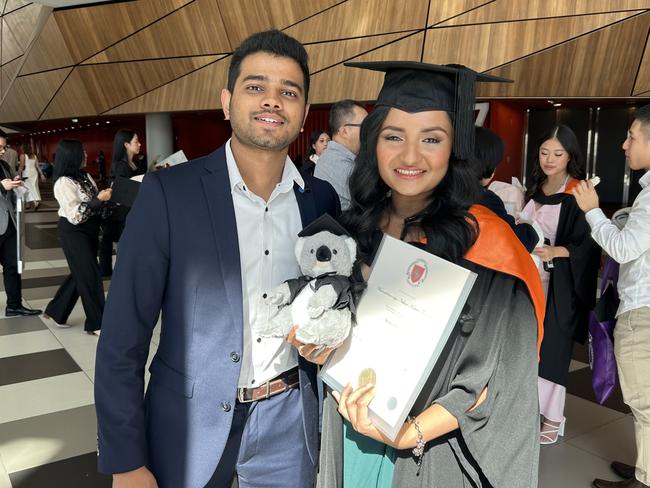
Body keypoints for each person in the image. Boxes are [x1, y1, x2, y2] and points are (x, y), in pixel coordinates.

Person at [94, 30, 340, 488]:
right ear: (227, 101)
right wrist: (125, 461)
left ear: (304, 114)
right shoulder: (170, 193)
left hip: (289, 423)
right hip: (187, 424)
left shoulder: (319, 200)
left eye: (289, 92)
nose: (272, 101)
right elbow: (122, 337)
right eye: (255, 87)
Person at [314, 61, 544, 488]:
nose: (410, 156)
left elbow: (499, 377)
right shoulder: (351, 232)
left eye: (432, 139)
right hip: (348, 431)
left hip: (428, 454)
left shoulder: (488, 245)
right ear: (373, 144)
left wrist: (409, 433)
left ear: (454, 148)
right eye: (394, 136)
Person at [574, 104, 650, 488]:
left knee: (645, 402)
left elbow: (622, 249)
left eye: (632, 136)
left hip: (644, 312)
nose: (624, 145)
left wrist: (592, 212)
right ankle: (644, 470)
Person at [520, 124, 601, 444]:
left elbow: (589, 244)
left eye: (558, 153)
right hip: (526, 281)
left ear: (570, 156)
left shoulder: (577, 192)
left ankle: (552, 419)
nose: (549, 159)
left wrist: (558, 251)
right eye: (543, 152)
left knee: (552, 351)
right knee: (527, 349)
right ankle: (527, 410)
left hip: (558, 286)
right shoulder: (535, 187)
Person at [44, 140, 111, 335]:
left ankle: (56, 311)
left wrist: (103, 199)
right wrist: (98, 200)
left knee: (80, 273)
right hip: (74, 232)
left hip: (89, 231)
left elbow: (94, 202)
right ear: (72, 155)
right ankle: (97, 323)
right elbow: (76, 215)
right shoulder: (63, 183)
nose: (86, 155)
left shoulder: (85, 176)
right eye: (82, 152)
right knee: (90, 275)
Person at [474, 126, 538, 252]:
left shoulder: (434, 191)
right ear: (490, 170)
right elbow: (522, 241)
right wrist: (527, 226)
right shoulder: (487, 200)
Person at [0, 131, 42, 317]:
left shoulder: (3, 165)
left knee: (12, 266)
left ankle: (14, 305)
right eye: (0, 147)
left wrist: (15, 183)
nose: (3, 151)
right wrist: (2, 186)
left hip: (8, 223)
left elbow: (8, 190)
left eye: (4, 147)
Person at [98, 129, 144, 277]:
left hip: (129, 210)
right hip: (120, 211)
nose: (139, 144)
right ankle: (110, 271)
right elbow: (122, 190)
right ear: (126, 144)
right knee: (112, 241)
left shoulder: (134, 163)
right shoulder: (120, 165)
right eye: (136, 141)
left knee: (112, 240)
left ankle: (115, 270)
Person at [314, 99, 368, 210]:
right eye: (365, 126)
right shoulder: (340, 164)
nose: (369, 131)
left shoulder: (331, 156)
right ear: (344, 131)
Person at [18, 144, 45, 210]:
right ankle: (29, 203)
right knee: (34, 187)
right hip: (34, 173)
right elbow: (38, 166)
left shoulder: (23, 155)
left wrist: (19, 174)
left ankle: (34, 202)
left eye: (21, 148)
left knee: (27, 188)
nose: (21, 149)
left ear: (24, 148)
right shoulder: (34, 156)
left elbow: (21, 166)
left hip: (27, 173)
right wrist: (42, 174)